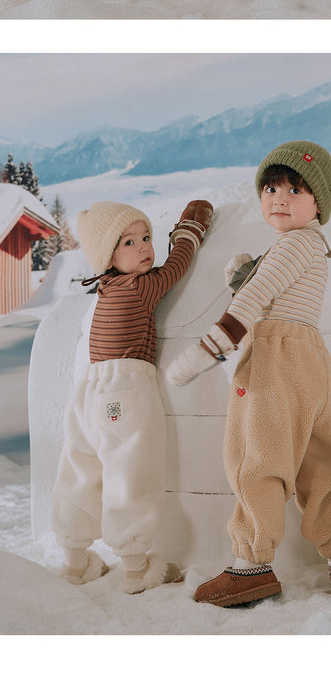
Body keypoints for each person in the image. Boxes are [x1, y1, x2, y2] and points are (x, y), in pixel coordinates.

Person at [166, 142, 331, 607]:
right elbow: (273, 291)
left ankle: (251, 566)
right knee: (319, 459)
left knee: (257, 456)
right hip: (310, 361)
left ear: (318, 202)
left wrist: (207, 351)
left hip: (275, 360)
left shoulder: (292, 243)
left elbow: (254, 299)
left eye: (294, 189)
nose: (279, 198)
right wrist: (244, 275)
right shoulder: (312, 245)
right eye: (270, 189)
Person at [52, 196, 212, 593]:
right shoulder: (142, 286)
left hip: (88, 392)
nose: (144, 247)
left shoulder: (105, 288)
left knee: (79, 470)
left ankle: (74, 560)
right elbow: (177, 266)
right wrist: (189, 232)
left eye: (146, 237)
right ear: (107, 256)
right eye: (128, 242)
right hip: (125, 390)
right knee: (129, 473)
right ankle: (137, 569)